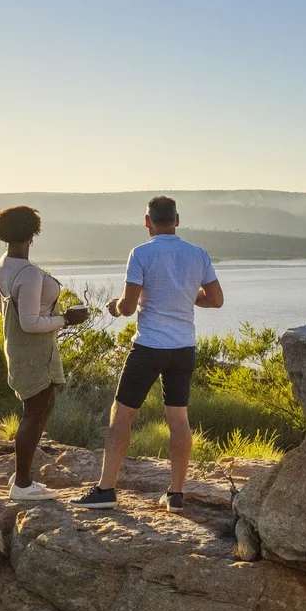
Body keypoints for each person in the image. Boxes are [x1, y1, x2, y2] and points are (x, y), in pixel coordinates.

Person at [77, 195, 221, 511]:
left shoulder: (141, 253)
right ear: (177, 220)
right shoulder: (198, 254)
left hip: (149, 348)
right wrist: (186, 296)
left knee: (121, 416)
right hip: (183, 348)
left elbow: (128, 308)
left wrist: (115, 307)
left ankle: (106, 490)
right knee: (179, 419)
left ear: (147, 221)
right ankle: (176, 494)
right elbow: (216, 299)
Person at [0, 205, 89, 502]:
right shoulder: (28, 274)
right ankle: (22, 484)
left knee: (34, 411)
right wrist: (66, 320)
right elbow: (30, 322)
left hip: (17, 350)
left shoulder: (3, 264)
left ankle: (22, 474)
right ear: (32, 234)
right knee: (36, 413)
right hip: (35, 354)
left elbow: (12, 313)